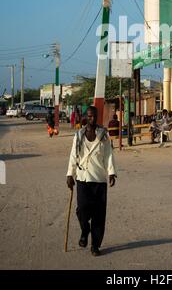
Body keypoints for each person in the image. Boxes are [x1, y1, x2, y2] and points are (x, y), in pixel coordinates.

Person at [66, 105, 117, 256]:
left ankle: (95, 245)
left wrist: (112, 172)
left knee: (99, 215)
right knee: (82, 209)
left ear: (97, 117)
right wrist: (70, 174)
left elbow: (109, 155)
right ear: (85, 117)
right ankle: (85, 230)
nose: (92, 119)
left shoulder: (104, 135)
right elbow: (73, 156)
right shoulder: (79, 135)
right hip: (83, 179)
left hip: (99, 179)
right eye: (89, 116)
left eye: (94, 116)